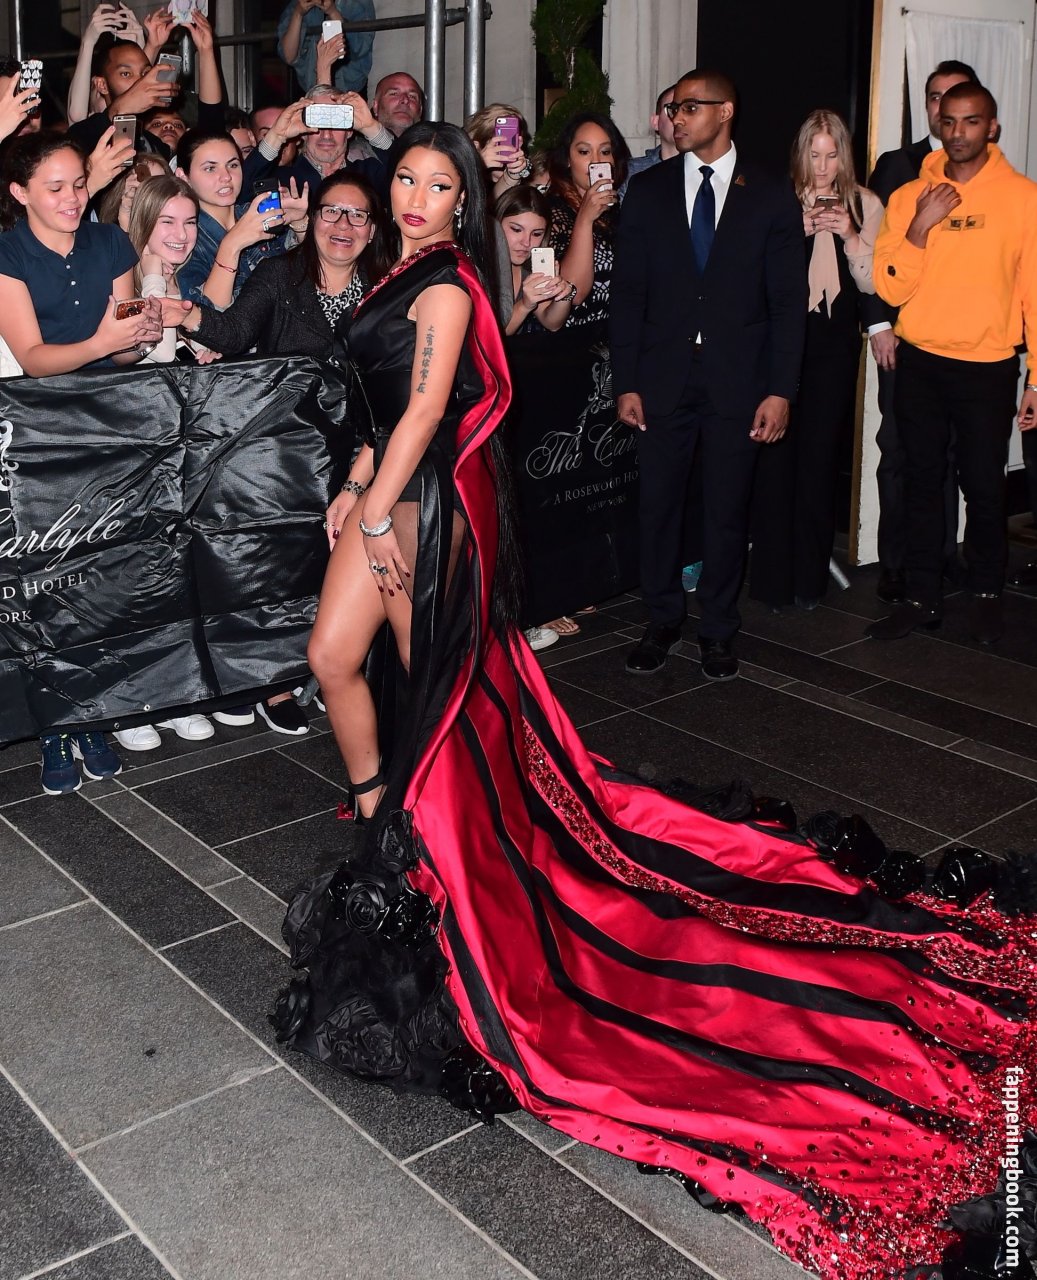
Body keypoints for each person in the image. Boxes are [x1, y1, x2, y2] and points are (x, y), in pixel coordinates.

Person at [272, 120, 1037, 1280]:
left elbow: (424, 413)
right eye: (407, 181)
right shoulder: (391, 270)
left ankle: (430, 844)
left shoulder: (446, 286)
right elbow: (375, 409)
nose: (417, 197)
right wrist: (351, 477)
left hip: (424, 513)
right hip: (384, 494)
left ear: (461, 198)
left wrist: (378, 508)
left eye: (437, 183)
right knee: (334, 659)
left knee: (439, 698)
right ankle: (383, 815)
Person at [611, 69, 806, 681]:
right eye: (673, 109)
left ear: (725, 112)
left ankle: (719, 628)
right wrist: (625, 381)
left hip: (738, 380)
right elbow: (628, 295)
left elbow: (787, 303)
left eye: (690, 108)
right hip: (662, 378)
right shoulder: (648, 190)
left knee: (726, 510)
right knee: (658, 507)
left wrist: (780, 390)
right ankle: (661, 618)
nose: (677, 118)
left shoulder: (770, 193)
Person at [0, 132, 162, 792]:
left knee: (102, 579)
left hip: (109, 425)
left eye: (77, 184)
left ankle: (93, 711)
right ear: (20, 193)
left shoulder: (110, 242)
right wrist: (103, 340)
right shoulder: (8, 254)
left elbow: (122, 349)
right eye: (55, 188)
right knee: (46, 584)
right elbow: (33, 357)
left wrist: (139, 336)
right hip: (40, 432)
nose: (72, 198)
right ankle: (56, 724)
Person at [868, 82, 1037, 646]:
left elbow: (1034, 293)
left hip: (987, 366)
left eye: (972, 121)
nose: (958, 132)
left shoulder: (1023, 198)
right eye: (949, 120)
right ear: (937, 123)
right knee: (921, 481)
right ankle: (922, 598)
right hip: (919, 362)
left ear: (992, 127)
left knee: (984, 485)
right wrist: (921, 224)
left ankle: (987, 595)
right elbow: (890, 286)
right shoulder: (908, 196)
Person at [750, 110, 882, 612]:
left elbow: (874, 283)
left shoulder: (865, 203)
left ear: (843, 156)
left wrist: (850, 236)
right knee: (774, 459)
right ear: (800, 154)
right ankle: (771, 581)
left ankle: (809, 579)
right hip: (780, 341)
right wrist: (796, 231)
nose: (823, 167)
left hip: (832, 344)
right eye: (814, 154)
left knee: (820, 460)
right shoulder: (776, 200)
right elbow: (750, 276)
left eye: (832, 155)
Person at [868, 59, 979, 605]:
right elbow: (871, 247)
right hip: (905, 339)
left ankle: (942, 556)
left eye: (953, 97)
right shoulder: (899, 165)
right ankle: (896, 564)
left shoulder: (984, 172)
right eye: (934, 97)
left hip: (962, 343)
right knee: (899, 451)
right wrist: (879, 324)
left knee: (952, 454)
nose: (942, 107)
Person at [176, 122, 309, 310]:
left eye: (233, 165)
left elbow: (312, 278)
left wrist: (299, 223)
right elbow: (205, 317)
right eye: (210, 168)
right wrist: (231, 245)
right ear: (183, 177)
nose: (226, 177)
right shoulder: (184, 237)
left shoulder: (259, 213)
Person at [545, 111, 629, 332]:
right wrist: (584, 219)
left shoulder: (622, 211)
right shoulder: (551, 212)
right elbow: (574, 293)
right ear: (567, 159)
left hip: (618, 336)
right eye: (584, 152)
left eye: (605, 151)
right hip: (573, 338)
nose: (596, 161)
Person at [276, 0, 375, 97]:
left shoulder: (357, 3)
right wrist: (298, 13)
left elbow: (359, 48)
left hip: (350, 90)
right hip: (311, 90)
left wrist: (333, 12)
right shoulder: (297, 4)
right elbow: (289, 56)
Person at [620, 82, 677, 196]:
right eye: (673, 110)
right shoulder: (631, 172)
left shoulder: (708, 170)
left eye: (690, 110)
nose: (681, 118)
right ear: (656, 122)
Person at [370, 71, 423, 137]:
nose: (405, 100)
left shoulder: (432, 140)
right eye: (394, 94)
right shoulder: (360, 142)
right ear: (375, 106)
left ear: (420, 110)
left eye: (412, 96)